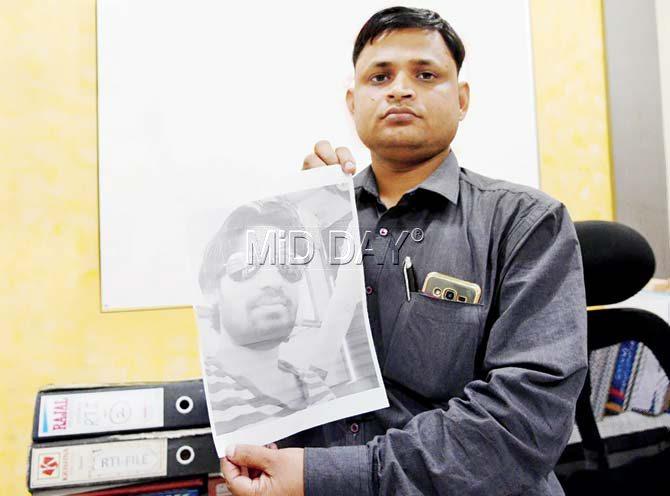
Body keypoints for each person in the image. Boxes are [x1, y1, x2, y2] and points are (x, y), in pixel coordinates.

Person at [220, 6, 587, 496]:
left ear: (461, 100)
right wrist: (302, 215)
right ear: (352, 103)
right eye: (380, 75)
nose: (399, 88)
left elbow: (521, 426)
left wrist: (326, 477)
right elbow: (273, 371)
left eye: (425, 73)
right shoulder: (310, 221)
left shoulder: (526, 222)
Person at [199, 200, 338, 433]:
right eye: (248, 265)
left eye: (288, 265)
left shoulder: (319, 390)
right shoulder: (203, 396)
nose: (273, 282)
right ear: (212, 289)